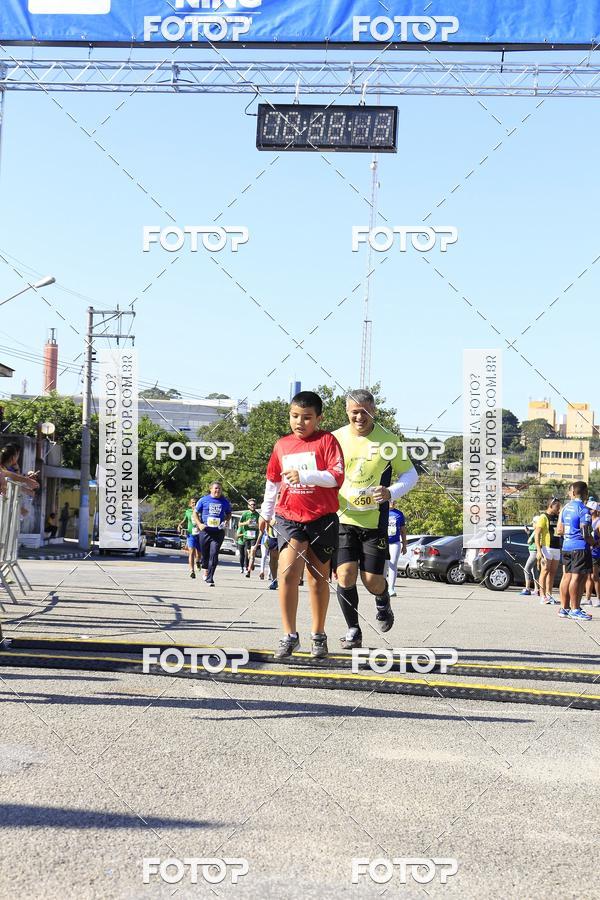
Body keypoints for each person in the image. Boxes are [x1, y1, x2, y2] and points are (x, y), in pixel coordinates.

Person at [259, 390, 344, 660]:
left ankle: (318, 635)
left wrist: (304, 474)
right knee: (287, 573)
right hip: (288, 517)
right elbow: (272, 481)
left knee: (317, 579)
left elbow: (335, 477)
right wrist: (265, 512)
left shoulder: (327, 441)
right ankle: (289, 635)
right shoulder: (281, 445)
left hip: (322, 518)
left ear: (319, 418)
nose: (300, 422)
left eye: (307, 418)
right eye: (295, 416)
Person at [333, 389, 418, 649]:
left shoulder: (388, 440)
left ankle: (383, 601)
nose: (360, 417)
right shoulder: (334, 438)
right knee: (345, 576)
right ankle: (353, 630)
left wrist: (390, 492)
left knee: (372, 581)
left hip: (374, 522)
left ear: (374, 411)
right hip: (343, 518)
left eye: (365, 411)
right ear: (347, 412)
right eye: (355, 412)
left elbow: (410, 476)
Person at [557, 481, 594, 620]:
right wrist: (594, 542)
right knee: (577, 578)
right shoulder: (584, 510)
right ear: (586, 493)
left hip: (566, 546)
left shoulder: (565, 508)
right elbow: (585, 532)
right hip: (579, 547)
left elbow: (559, 529)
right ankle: (575, 609)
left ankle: (564, 608)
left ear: (573, 493)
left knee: (566, 576)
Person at [193, 482, 232, 586]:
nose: (217, 490)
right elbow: (195, 513)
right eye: (215, 488)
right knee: (205, 556)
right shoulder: (203, 500)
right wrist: (199, 524)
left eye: (219, 489)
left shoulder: (224, 502)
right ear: (210, 489)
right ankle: (205, 568)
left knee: (214, 554)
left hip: (218, 532)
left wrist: (226, 521)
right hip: (205, 531)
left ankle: (210, 578)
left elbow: (229, 513)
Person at [534, 498, 562, 604]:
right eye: (557, 506)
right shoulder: (543, 517)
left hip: (556, 547)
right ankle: (542, 595)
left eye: (559, 507)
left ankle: (549, 594)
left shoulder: (558, 516)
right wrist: (539, 550)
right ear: (550, 505)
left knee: (553, 572)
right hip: (547, 547)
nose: (558, 508)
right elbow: (537, 534)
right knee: (545, 571)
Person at [386, 503, 406, 597]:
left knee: (392, 564)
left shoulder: (399, 514)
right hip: (384, 542)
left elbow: (403, 530)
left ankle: (391, 588)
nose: (392, 503)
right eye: (390, 501)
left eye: (394, 501)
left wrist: (404, 545)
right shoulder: (381, 511)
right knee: (384, 565)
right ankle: (382, 588)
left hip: (395, 543)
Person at [238, 499, 260, 578]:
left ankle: (248, 570)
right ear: (248, 506)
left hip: (254, 536)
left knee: (252, 553)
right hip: (246, 536)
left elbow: (260, 526)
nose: (253, 506)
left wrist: (256, 525)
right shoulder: (245, 514)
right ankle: (251, 564)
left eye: (254, 504)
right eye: (251, 504)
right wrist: (246, 523)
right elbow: (239, 524)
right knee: (248, 554)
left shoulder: (258, 515)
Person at [584, 503, 600, 607]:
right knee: (588, 576)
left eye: (590, 509)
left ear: (595, 510)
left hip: (596, 553)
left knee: (595, 576)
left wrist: (595, 544)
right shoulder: (588, 520)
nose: (588, 510)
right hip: (589, 552)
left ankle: (598, 599)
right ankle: (588, 599)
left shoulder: (598, 522)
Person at [179, 496, 199, 578]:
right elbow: (184, 520)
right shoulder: (188, 511)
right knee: (191, 551)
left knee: (199, 554)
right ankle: (192, 571)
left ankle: (198, 561)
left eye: (196, 502)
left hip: (200, 534)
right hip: (190, 534)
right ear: (190, 504)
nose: (194, 504)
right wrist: (180, 524)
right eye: (193, 502)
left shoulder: (201, 511)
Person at [520, 516, 540, 597]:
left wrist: (529, 535)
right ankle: (537, 589)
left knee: (526, 569)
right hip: (535, 552)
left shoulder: (536, 531)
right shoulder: (538, 531)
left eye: (533, 523)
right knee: (534, 571)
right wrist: (528, 534)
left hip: (533, 552)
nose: (533, 525)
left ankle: (527, 588)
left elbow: (529, 541)